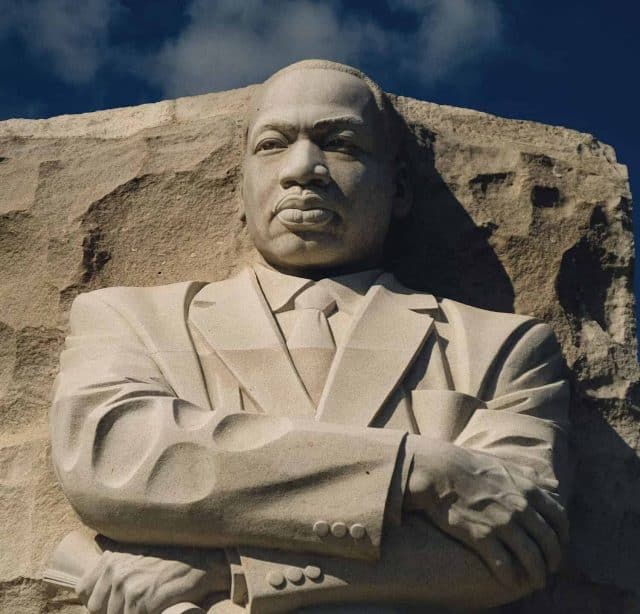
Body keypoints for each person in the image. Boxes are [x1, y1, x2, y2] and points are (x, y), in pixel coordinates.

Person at [50, 60, 570, 614]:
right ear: (240, 186)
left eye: (340, 143)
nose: (303, 168)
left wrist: (228, 572)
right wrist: (416, 469)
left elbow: (515, 548)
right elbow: (115, 461)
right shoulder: (130, 319)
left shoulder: (503, 347)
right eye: (272, 145)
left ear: (397, 188)